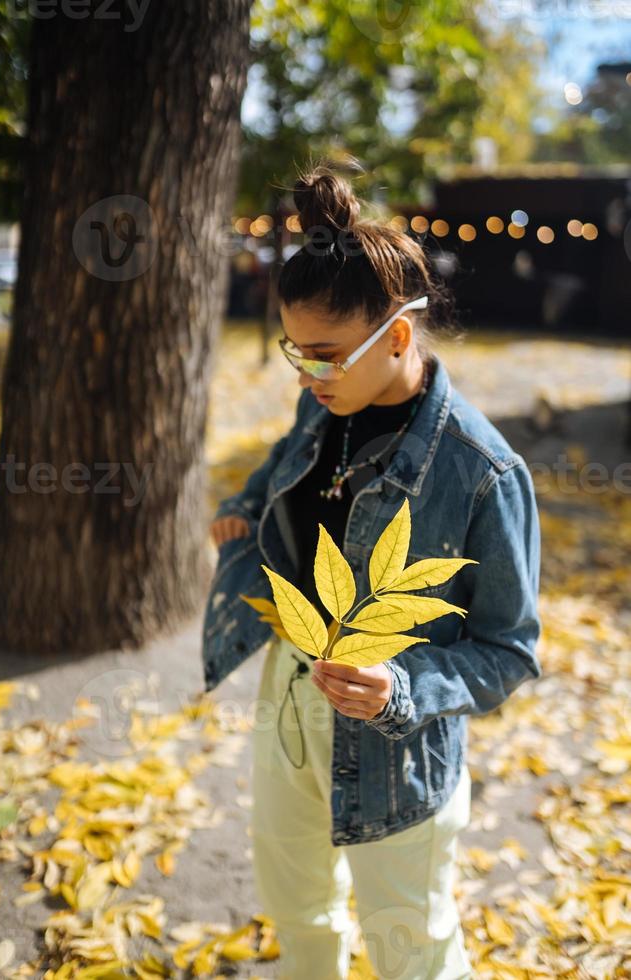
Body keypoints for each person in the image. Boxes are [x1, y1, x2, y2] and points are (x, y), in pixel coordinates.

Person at [203, 156, 542, 980]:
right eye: (293, 353)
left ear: (396, 336)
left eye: (321, 355)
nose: (304, 374)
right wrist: (245, 512)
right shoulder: (322, 403)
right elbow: (282, 467)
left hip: (398, 747)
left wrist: (400, 689)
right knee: (297, 904)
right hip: (289, 693)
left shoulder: (482, 472)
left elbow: (509, 651)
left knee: (411, 947)